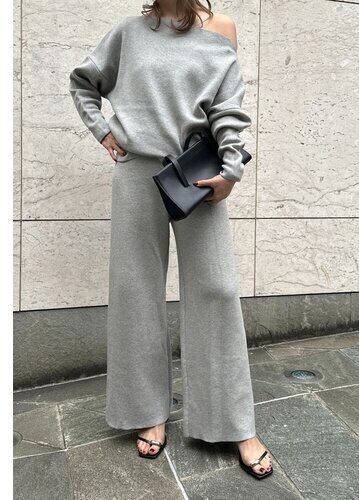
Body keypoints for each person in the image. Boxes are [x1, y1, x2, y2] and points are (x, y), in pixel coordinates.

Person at [69, 0, 273, 479]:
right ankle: (148, 412)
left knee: (217, 289)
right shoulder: (128, 33)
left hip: (196, 174)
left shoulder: (220, 28)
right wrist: (103, 132)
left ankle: (234, 423)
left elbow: (227, 105)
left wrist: (231, 170)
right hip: (137, 173)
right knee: (136, 290)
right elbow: (83, 82)